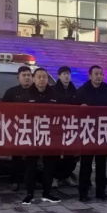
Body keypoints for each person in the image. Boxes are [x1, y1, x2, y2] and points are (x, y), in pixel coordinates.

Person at [20, 68, 61, 205]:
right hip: (32, 135)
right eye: (39, 77)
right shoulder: (26, 95)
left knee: (49, 165)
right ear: (34, 78)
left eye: (44, 77)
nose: (42, 79)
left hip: (50, 135)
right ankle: (29, 194)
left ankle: (47, 193)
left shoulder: (54, 94)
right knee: (30, 166)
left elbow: (62, 113)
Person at [76, 65, 107, 202]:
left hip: (103, 130)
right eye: (96, 74)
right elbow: (74, 108)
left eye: (101, 74)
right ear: (90, 76)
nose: (99, 76)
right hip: (87, 130)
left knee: (102, 164)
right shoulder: (82, 91)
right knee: (86, 164)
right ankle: (83, 192)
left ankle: (101, 192)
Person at [3, 66, 34, 192]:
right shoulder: (11, 92)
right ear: (18, 78)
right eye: (24, 75)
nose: (27, 78)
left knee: (32, 157)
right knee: (16, 156)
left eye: (29, 75)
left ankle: (31, 181)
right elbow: (4, 110)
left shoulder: (37, 91)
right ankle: (15, 181)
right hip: (17, 128)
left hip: (34, 129)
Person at [53, 66, 79, 188]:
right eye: (64, 74)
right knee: (55, 153)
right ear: (59, 76)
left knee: (70, 153)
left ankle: (66, 175)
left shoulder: (75, 91)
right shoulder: (53, 90)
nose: (66, 76)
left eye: (68, 73)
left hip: (71, 126)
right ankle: (55, 176)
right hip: (56, 126)